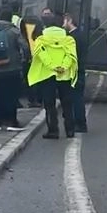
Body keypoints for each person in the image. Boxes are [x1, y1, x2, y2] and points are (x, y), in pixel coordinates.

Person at [27, 12, 78, 140]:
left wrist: (52, 66)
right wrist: (63, 67)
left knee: (49, 105)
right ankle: (70, 130)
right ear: (61, 25)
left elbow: (40, 54)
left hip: (47, 75)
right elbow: (71, 56)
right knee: (67, 104)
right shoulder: (69, 39)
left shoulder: (41, 39)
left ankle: (53, 131)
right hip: (64, 76)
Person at [0, 8, 30, 131]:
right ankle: (11, 122)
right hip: (12, 70)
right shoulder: (14, 31)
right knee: (11, 96)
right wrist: (23, 61)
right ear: (10, 19)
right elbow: (25, 48)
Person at [62, 11, 89, 133]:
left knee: (76, 98)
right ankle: (80, 122)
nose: (63, 24)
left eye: (64, 21)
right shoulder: (81, 35)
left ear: (70, 21)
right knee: (78, 97)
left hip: (74, 71)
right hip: (80, 69)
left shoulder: (72, 38)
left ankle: (80, 123)